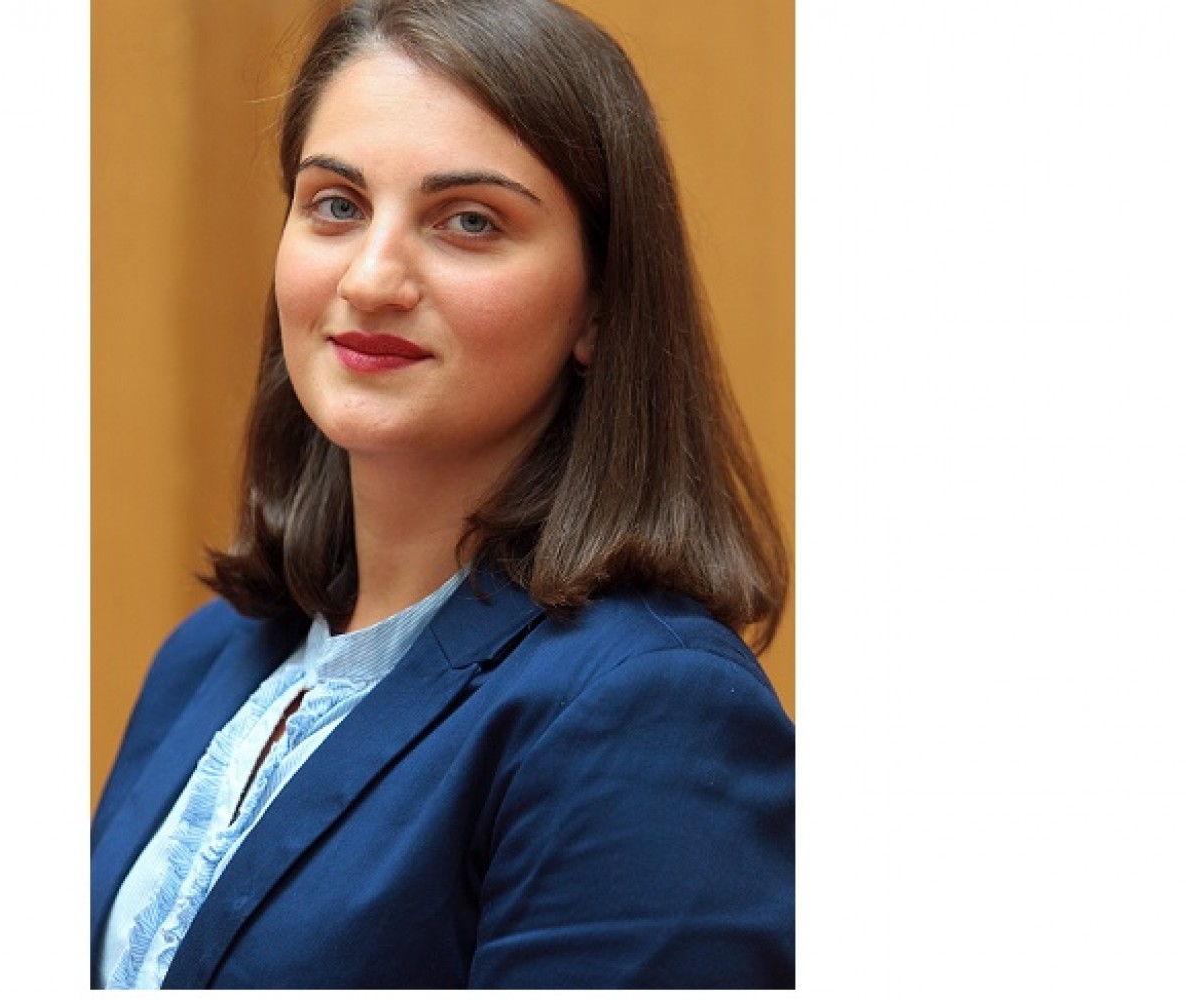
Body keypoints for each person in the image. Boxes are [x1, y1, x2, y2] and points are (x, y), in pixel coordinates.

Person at [91, 0, 794, 988]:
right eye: (336, 205)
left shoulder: (653, 711)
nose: (372, 279)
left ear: (597, 304)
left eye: (469, 222)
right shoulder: (210, 656)